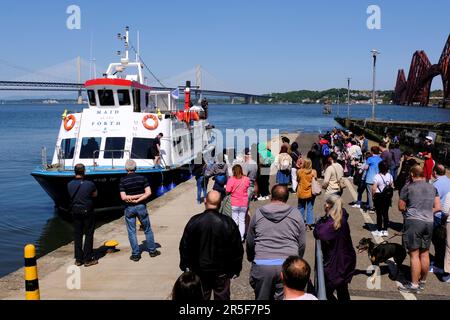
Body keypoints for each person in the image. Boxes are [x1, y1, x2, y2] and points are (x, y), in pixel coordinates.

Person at [179, 191, 243, 300]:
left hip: (199, 270)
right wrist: (236, 269)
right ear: (220, 203)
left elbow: (185, 245)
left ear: (205, 201)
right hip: (222, 271)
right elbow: (237, 249)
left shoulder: (194, 221)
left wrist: (185, 264)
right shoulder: (228, 222)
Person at [246, 185, 306, 300]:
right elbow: (302, 243)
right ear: (286, 198)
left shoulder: (258, 213)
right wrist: (297, 261)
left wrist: (251, 257)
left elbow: (250, 241)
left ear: (271, 196)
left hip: (262, 263)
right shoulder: (296, 214)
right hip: (288, 265)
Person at [398, 165, 441, 293]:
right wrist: (426, 211)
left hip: (414, 222)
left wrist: (410, 211)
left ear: (412, 174)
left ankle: (414, 285)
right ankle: (422, 281)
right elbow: (438, 207)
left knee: (414, 254)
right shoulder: (433, 188)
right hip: (429, 222)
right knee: (425, 252)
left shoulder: (408, 187)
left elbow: (400, 207)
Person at [313, 195, 356, 301]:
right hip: (346, 258)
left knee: (326, 290)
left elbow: (320, 233)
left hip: (338, 262)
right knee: (342, 289)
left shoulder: (334, 223)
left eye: (326, 203)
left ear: (329, 206)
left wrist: (318, 223)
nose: (324, 204)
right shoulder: (342, 215)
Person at [120, 159, 161, 261]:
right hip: (141, 206)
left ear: (126, 168)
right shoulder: (142, 178)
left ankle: (136, 254)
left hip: (129, 207)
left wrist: (132, 198)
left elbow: (123, 197)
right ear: (135, 167)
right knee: (147, 229)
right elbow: (148, 193)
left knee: (131, 232)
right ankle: (152, 251)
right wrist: (139, 198)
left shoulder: (122, 180)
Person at [67, 163, 98, 267]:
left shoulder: (69, 184)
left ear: (74, 172)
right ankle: (87, 258)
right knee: (89, 234)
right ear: (84, 171)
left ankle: (78, 259)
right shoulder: (90, 184)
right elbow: (95, 195)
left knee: (77, 235)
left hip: (75, 211)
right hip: (87, 211)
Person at [431, 164, 450, 273]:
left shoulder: (436, 185)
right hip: (447, 216)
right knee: (445, 242)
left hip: (438, 215)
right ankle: (443, 262)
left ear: (434, 172)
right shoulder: (449, 181)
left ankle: (439, 264)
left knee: (437, 241)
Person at [226, 164, 251, 241]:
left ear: (233, 171)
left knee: (234, 220)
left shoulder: (231, 179)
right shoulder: (246, 179)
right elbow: (247, 186)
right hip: (244, 202)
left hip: (235, 202)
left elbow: (228, 190)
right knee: (242, 220)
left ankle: (234, 236)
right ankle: (241, 237)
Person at [372, 161, 394, 237]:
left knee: (379, 213)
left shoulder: (377, 176)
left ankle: (379, 229)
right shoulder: (390, 176)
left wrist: (373, 197)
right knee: (385, 213)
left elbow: (374, 189)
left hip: (379, 196)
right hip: (387, 198)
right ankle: (385, 230)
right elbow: (392, 186)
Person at [297, 158, 317, 230]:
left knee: (301, 208)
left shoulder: (299, 171)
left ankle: (300, 223)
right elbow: (315, 180)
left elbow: (297, 180)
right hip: (311, 192)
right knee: (310, 208)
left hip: (302, 191)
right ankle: (309, 224)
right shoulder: (314, 172)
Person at [362, 146, 383, 213]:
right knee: (376, 193)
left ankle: (371, 207)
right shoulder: (380, 159)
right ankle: (375, 206)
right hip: (378, 178)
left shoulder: (370, 159)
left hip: (370, 178)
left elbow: (365, 167)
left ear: (372, 151)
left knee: (370, 193)